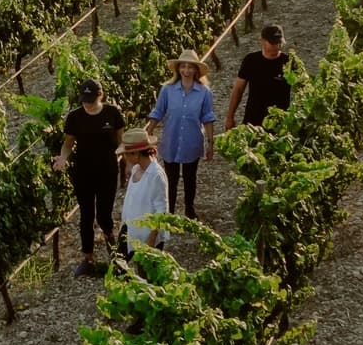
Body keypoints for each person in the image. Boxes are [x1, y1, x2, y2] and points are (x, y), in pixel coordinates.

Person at [52, 78, 125, 276]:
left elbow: (121, 140)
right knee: (86, 215)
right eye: (84, 100)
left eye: (90, 100)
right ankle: (88, 258)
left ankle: (114, 251)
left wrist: (127, 162)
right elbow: (68, 143)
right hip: (83, 172)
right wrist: (63, 158)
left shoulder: (112, 113)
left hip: (107, 171)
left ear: (100, 95)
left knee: (104, 214)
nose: (87, 104)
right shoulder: (75, 117)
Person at [144, 48, 215, 219]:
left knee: (190, 177)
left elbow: (207, 117)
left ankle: (189, 210)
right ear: (178, 69)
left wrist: (211, 142)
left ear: (196, 70)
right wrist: (149, 131)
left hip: (192, 140)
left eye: (190, 67)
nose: (186, 70)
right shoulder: (167, 90)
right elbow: (158, 111)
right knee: (171, 178)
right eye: (183, 66)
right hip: (171, 140)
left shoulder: (204, 92)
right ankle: (170, 212)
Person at [226, 24, 291, 129]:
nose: (277, 46)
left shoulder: (289, 62)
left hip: (280, 123)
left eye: (279, 42)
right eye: (273, 43)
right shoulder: (250, 61)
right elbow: (238, 89)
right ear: (262, 41)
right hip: (253, 121)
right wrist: (230, 117)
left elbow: (302, 89)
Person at [117, 128, 168, 260]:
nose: (125, 157)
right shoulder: (136, 169)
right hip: (129, 229)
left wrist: (152, 238)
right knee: (118, 266)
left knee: (145, 271)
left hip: (147, 235)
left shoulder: (156, 175)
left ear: (136, 154)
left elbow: (161, 210)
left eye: (126, 153)